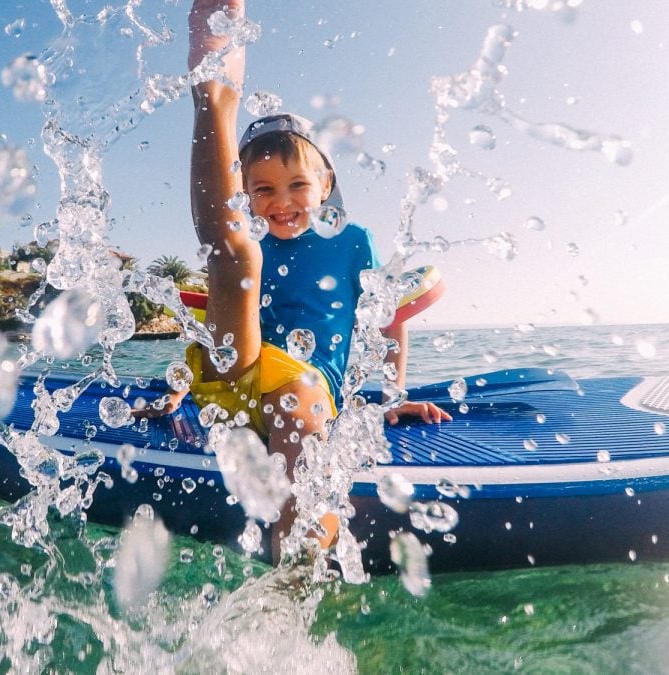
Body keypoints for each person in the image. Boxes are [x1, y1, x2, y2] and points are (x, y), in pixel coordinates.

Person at [144, 0, 450, 562]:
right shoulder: (254, 240)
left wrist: (391, 398)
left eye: (297, 187)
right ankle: (212, 86)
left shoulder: (352, 241)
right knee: (234, 260)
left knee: (301, 396)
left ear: (326, 182)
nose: (281, 203)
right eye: (261, 190)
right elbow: (217, 331)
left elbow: (385, 322)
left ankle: (294, 575)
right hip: (234, 377)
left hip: (301, 392)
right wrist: (178, 390)